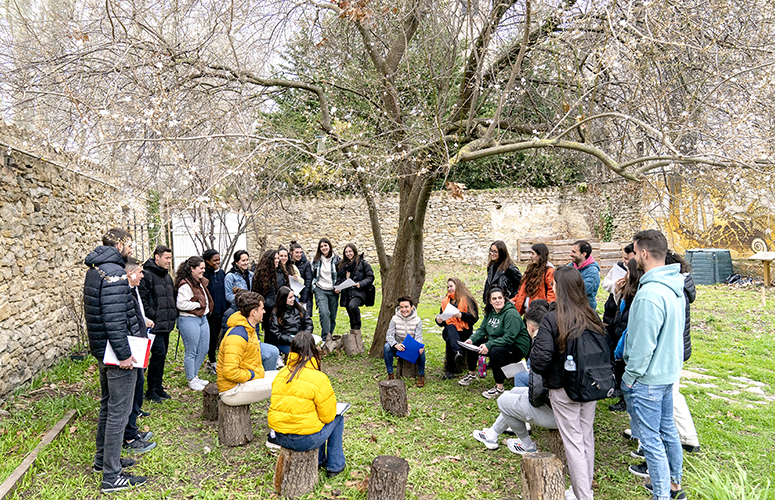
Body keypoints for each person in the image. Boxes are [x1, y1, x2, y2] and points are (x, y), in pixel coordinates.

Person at [530, 266, 607, 500]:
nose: (551, 287)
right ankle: (584, 490)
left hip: (564, 388)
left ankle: (583, 494)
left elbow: (539, 360)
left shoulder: (553, 319)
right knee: (585, 436)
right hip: (590, 386)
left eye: (554, 284)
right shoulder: (592, 315)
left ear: (560, 288)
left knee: (574, 442)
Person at [621, 230, 686, 500]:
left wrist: (629, 376)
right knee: (668, 430)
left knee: (651, 440)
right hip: (667, 373)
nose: (633, 257)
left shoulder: (650, 294)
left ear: (644, 254)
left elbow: (643, 345)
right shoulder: (675, 286)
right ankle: (674, 486)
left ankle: (661, 495)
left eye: (634, 252)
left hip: (648, 379)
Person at [84, 227, 147, 492]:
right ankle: (112, 476)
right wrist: (124, 355)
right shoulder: (114, 272)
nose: (131, 249)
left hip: (103, 350)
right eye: (130, 243)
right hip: (117, 353)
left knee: (108, 406)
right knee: (118, 412)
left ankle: (103, 460)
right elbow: (113, 319)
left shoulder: (95, 269)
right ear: (119, 243)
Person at [472, 300, 555, 454]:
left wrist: (528, 402)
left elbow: (539, 386)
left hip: (556, 410)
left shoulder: (541, 345)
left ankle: (527, 445)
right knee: (513, 393)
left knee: (504, 401)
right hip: (556, 403)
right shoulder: (554, 339)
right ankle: (492, 434)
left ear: (530, 327)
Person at [268, 332, 345, 478]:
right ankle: (335, 465)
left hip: (280, 435)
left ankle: (320, 458)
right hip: (303, 440)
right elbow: (328, 416)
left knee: (315, 416)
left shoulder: (281, 374)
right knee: (337, 418)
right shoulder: (318, 378)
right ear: (313, 350)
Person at [463, 286, 531, 399]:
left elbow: (509, 338)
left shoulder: (511, 314)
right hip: (499, 340)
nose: (497, 300)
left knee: (495, 351)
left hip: (517, 346)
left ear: (504, 299)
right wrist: (471, 339)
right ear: (490, 301)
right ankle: (471, 374)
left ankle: (499, 388)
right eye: (494, 299)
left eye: (500, 297)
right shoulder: (490, 312)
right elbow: (482, 329)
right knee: (476, 343)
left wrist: (489, 345)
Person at [218, 290, 278, 406]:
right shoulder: (237, 336)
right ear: (253, 313)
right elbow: (229, 372)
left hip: (244, 381)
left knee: (287, 375)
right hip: (232, 391)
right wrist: (253, 375)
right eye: (262, 309)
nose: (264, 312)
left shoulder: (249, 328)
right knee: (286, 382)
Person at [122, 258, 156, 454]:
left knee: (138, 388)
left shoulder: (131, 292)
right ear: (130, 273)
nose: (142, 276)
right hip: (132, 349)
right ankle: (129, 436)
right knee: (132, 392)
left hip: (139, 344)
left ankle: (133, 430)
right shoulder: (123, 293)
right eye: (140, 272)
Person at [139, 244, 177, 403]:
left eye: (170, 258)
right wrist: (153, 315)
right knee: (157, 355)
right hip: (154, 325)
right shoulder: (146, 275)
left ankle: (158, 387)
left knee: (161, 357)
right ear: (157, 257)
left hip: (166, 324)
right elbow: (142, 300)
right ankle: (151, 390)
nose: (169, 261)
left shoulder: (167, 277)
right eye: (166, 258)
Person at [175, 256, 213, 391]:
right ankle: (191, 379)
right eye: (201, 268)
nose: (204, 270)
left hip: (202, 318)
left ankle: (195, 376)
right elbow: (180, 303)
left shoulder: (199, 282)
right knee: (191, 351)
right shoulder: (185, 284)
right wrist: (199, 304)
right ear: (192, 269)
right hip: (189, 319)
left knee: (203, 349)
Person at [435, 278, 479, 381]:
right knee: (450, 328)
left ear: (458, 286)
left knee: (451, 340)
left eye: (451, 286)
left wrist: (461, 315)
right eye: (448, 287)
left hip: (464, 331)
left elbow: (474, 318)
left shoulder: (468, 299)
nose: (449, 289)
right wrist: (439, 320)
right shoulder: (446, 301)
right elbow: (443, 322)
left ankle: (450, 371)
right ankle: (458, 352)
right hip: (449, 330)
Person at [334, 243, 374, 342]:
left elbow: (370, 277)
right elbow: (339, 279)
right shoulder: (342, 265)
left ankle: (357, 330)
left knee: (353, 306)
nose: (348, 254)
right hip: (346, 293)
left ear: (354, 252)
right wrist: (337, 287)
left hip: (358, 293)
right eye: (346, 252)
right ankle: (354, 337)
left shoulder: (362, 263)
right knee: (350, 314)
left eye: (350, 251)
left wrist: (360, 283)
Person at [384, 297, 426, 387]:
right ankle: (390, 374)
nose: (404, 310)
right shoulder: (394, 318)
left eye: (406, 307)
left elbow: (419, 336)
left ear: (412, 307)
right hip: (398, 346)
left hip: (410, 347)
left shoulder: (417, 320)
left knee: (422, 350)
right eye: (401, 307)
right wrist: (395, 344)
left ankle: (421, 375)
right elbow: (389, 335)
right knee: (387, 347)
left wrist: (419, 346)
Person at [203, 249, 229, 376]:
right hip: (210, 313)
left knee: (221, 337)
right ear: (207, 261)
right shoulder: (204, 275)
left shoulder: (222, 273)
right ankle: (212, 361)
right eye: (215, 260)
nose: (218, 262)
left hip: (221, 310)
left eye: (219, 259)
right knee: (212, 338)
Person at [267, 286, 314, 355]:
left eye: (293, 296)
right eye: (290, 297)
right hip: (286, 343)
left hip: (302, 339)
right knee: (299, 353)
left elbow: (309, 323)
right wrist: (293, 340)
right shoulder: (276, 313)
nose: (293, 299)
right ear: (283, 298)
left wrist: (304, 336)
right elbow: (276, 334)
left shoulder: (299, 308)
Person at [511, 243, 555, 315]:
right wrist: (513, 301)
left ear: (540, 255)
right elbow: (523, 291)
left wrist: (549, 312)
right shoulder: (531, 270)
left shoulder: (549, 272)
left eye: (533, 253)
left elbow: (552, 294)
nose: (530, 256)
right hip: (528, 313)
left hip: (540, 314)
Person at [252, 249, 289, 335]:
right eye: (274, 259)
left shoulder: (282, 273)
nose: (277, 261)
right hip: (268, 310)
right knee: (269, 333)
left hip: (281, 307)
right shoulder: (260, 276)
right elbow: (257, 294)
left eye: (277, 258)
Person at [312, 238, 341, 343]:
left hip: (333, 291)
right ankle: (325, 339)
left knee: (332, 316)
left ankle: (330, 336)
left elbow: (341, 276)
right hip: (320, 289)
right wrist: (313, 287)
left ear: (330, 246)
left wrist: (339, 287)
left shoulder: (337, 259)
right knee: (324, 313)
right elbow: (311, 274)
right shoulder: (316, 260)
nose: (324, 248)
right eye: (321, 246)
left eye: (325, 245)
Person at [601, 243, 635, 333]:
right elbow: (605, 282)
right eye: (624, 258)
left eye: (628, 259)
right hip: (611, 309)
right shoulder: (619, 266)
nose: (625, 261)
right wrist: (615, 287)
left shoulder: (637, 272)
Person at [568, 240, 601, 311]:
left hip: (585, 310)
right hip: (571, 308)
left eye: (574, 252)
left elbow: (582, 291)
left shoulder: (592, 271)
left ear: (583, 254)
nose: (570, 254)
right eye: (571, 251)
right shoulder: (570, 267)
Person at [290, 242, 314, 317]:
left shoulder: (306, 264)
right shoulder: (288, 264)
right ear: (291, 253)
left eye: (300, 252)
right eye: (296, 252)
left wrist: (303, 299)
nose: (299, 255)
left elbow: (308, 282)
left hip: (304, 296)